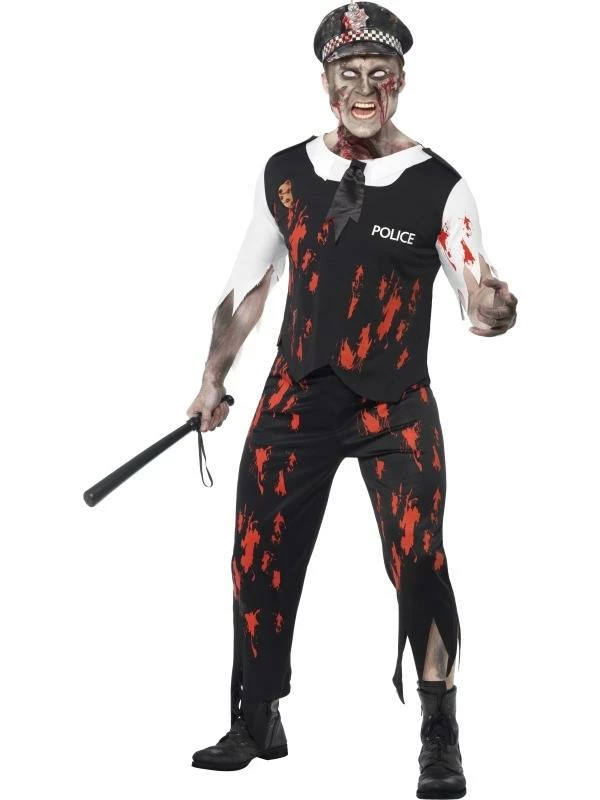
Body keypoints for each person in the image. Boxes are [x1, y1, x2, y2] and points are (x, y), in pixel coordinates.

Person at [186, 3, 517, 797]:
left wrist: (492, 308)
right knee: (256, 554)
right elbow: (247, 287)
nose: (364, 88)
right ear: (327, 82)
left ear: (400, 81)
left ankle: (440, 733)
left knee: (420, 561)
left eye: (379, 74)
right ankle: (256, 716)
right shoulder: (287, 173)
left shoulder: (439, 185)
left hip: (394, 408)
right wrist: (211, 380)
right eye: (349, 73)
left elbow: (475, 287)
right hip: (295, 397)